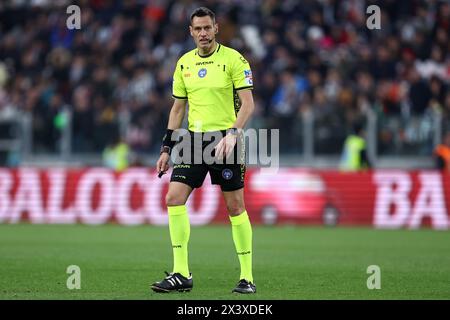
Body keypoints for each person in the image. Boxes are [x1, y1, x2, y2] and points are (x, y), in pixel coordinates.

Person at [151, 7, 256, 294]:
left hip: (226, 139)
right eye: (197, 29)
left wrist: (234, 133)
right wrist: (166, 148)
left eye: (207, 28)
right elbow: (177, 108)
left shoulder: (234, 60)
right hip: (193, 141)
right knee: (173, 198)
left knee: (235, 207)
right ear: (191, 31)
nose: (203, 33)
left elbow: (248, 105)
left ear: (216, 28)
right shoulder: (184, 63)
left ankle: (246, 277)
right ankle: (181, 273)